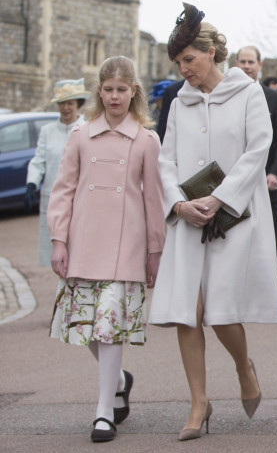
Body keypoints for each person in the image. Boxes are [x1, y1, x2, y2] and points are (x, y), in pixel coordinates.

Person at [148, 3, 277, 441]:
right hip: (188, 219)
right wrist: (177, 204)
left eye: (189, 59)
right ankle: (198, 403)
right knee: (189, 312)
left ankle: (245, 369)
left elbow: (258, 148)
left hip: (233, 217)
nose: (184, 69)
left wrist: (219, 197)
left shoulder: (248, 92)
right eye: (178, 63)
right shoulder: (178, 102)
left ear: (210, 52)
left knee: (223, 313)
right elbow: (165, 160)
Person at [46, 56, 165, 443]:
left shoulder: (147, 140)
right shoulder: (80, 135)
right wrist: (58, 239)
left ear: (134, 91)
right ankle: (118, 380)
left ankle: (103, 411)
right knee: (86, 326)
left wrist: (155, 250)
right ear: (100, 91)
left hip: (125, 244)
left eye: (122, 89)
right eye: (109, 89)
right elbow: (62, 191)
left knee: (109, 326)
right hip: (83, 241)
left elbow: (153, 200)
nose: (115, 97)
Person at [26, 78, 90, 266]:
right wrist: (32, 183)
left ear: (78, 104)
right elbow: (39, 161)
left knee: (79, 249)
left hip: (79, 198)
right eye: (62, 103)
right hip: (52, 197)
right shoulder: (47, 131)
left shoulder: (86, 130)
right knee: (56, 250)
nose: (66, 108)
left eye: (70, 103)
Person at [237, 45, 277, 256]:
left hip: (266, 176)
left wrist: (276, 173)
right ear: (236, 64)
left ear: (259, 65)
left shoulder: (275, 99)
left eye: (251, 62)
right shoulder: (226, 96)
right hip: (236, 177)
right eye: (242, 62)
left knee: (270, 229)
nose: (247, 66)